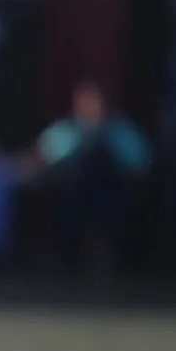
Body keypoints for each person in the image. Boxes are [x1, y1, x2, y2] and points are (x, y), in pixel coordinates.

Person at [35, 79, 149, 284]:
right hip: (70, 199)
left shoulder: (122, 132)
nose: (89, 108)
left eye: (94, 102)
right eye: (83, 102)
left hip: (111, 199)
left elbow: (140, 167)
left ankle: (103, 267)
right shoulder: (65, 131)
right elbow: (40, 160)